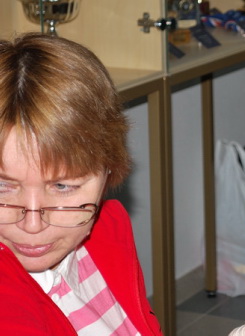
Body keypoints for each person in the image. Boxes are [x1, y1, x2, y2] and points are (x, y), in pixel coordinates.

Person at [0, 33, 162, 335]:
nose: (32, 225)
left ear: (108, 171)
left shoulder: (107, 229)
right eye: (2, 186)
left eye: (63, 186)